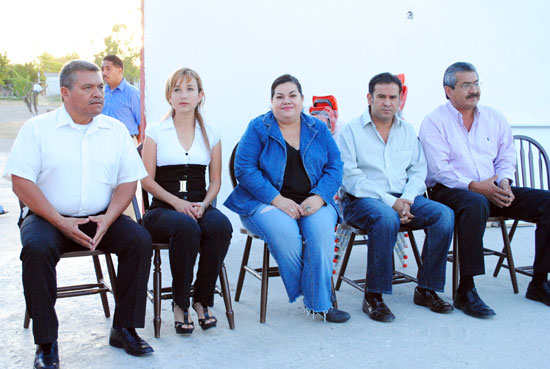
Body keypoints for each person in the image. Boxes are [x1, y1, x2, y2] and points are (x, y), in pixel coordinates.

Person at [3, 60, 154, 369]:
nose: (98, 93)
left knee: (138, 240)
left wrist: (109, 218)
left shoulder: (115, 130)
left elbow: (128, 180)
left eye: (100, 86)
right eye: (88, 87)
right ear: (65, 93)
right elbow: (21, 181)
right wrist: (60, 222)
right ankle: (46, 343)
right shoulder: (38, 129)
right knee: (36, 249)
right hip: (49, 218)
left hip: (101, 218)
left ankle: (124, 328)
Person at [419, 62, 550, 317]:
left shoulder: (494, 118)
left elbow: (506, 158)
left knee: (547, 202)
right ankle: (466, 290)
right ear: (448, 90)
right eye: (466, 85)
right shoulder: (434, 121)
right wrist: (475, 186)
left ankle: (539, 282)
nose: (474, 90)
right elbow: (439, 169)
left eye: (476, 83)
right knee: (475, 202)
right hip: (449, 191)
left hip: (491, 188)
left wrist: (504, 182)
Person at [224, 74, 350, 323]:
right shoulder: (258, 127)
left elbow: (335, 167)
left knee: (322, 233)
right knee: (287, 234)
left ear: (302, 99)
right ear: (271, 102)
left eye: (292, 95)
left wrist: (320, 197)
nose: (286, 101)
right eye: (279, 97)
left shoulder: (318, 128)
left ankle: (319, 303)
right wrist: (277, 199)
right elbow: (244, 169)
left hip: (312, 201)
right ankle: (317, 297)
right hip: (263, 203)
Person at [336, 72, 454, 322]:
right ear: (369, 98)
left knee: (443, 215)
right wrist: (393, 203)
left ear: (400, 99)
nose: (387, 102)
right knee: (387, 218)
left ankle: (426, 289)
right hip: (360, 201)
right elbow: (351, 178)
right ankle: (373, 297)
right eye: (381, 96)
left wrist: (407, 199)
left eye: (393, 97)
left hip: (405, 198)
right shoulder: (350, 132)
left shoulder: (407, 130)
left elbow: (418, 169)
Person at [141, 68, 232, 334]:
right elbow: (146, 180)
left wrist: (203, 204)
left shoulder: (211, 132)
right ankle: (180, 303)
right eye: (177, 90)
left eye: (190, 89)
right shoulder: (156, 131)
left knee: (220, 226)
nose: (183, 95)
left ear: (200, 95)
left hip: (198, 204)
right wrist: (177, 203)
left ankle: (202, 299)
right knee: (186, 227)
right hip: (162, 210)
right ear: (169, 96)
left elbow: (215, 181)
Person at [101, 55, 141, 139]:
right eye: (102, 69)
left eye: (108, 69)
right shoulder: (102, 93)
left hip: (126, 142)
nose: (104, 73)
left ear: (120, 71)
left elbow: (142, 123)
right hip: (104, 142)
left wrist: (138, 148)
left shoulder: (132, 93)